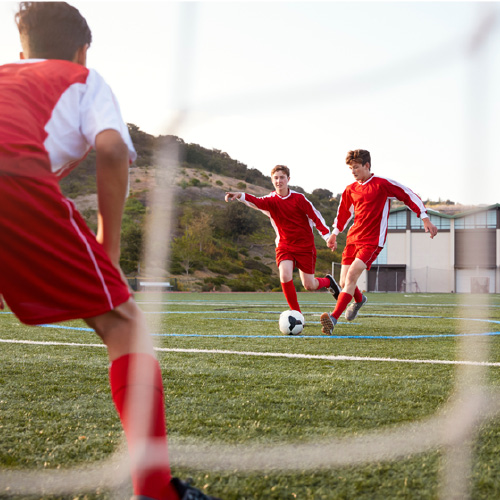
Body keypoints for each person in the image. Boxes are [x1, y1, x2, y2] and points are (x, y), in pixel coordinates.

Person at [0, 3, 219, 500]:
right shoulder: (83, 79)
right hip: (15, 185)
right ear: (83, 52)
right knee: (124, 325)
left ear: (21, 51)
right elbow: (113, 148)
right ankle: (157, 492)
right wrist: (109, 247)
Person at [320, 149, 438, 334]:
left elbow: (408, 195)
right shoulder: (350, 189)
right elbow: (344, 213)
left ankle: (333, 319)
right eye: (351, 168)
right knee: (344, 283)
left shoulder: (382, 184)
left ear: (367, 166)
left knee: (351, 277)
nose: (353, 171)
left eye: (356, 167)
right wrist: (335, 233)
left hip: (372, 241)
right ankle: (360, 300)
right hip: (352, 239)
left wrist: (424, 217)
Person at [225, 165, 340, 319]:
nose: (279, 181)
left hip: (305, 246)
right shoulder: (271, 200)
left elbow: (316, 217)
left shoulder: (299, 199)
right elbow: (256, 202)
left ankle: (328, 282)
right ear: (272, 181)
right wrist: (240, 195)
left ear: (288, 179)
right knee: (285, 275)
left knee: (309, 285)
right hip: (284, 246)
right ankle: (297, 314)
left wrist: (327, 237)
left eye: (282, 177)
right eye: (276, 178)